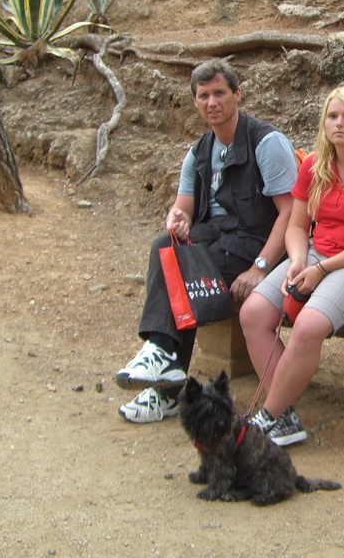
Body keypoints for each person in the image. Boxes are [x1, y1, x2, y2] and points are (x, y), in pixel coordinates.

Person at [115, 58, 297, 423]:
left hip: (259, 243)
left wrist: (260, 269)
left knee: (185, 272)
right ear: (195, 102)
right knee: (165, 247)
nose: (212, 102)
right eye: (203, 96)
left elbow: (291, 213)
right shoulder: (199, 151)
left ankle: (165, 381)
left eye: (219, 93)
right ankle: (162, 356)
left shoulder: (266, 142)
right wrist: (177, 218)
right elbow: (182, 206)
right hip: (218, 238)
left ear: (237, 95)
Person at [239, 85, 344, 446]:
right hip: (316, 253)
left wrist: (322, 270)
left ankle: (267, 416)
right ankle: (283, 416)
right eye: (333, 116)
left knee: (308, 326)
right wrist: (298, 260)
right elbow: (297, 226)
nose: (339, 123)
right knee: (253, 313)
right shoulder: (314, 165)